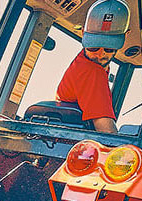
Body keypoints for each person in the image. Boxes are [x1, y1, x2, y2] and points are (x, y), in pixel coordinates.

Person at [56, 0, 130, 133]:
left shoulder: (84, 61)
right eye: (94, 47)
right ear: (83, 33)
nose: (100, 54)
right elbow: (106, 132)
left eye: (109, 49)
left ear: (125, 37)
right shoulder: (91, 70)